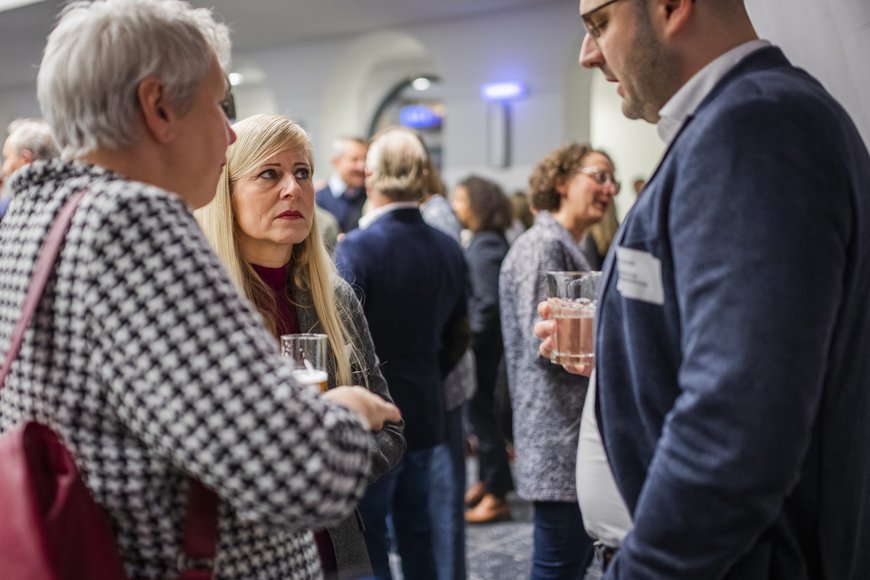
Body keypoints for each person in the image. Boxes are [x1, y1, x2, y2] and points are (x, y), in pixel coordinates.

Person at [0, 1, 400, 578]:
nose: (229, 130)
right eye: (219, 103)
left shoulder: (33, 215)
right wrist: (342, 414)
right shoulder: (133, 222)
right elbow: (296, 476)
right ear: (158, 107)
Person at [537, 0, 870, 578]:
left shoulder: (757, 125)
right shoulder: (735, 118)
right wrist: (629, 345)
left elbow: (737, 430)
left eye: (598, 24)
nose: (589, 53)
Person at [194, 113, 406, 579]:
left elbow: (391, 429)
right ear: (225, 192)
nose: (293, 188)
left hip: (337, 554)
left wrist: (327, 461)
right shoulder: (205, 306)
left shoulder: (335, 298)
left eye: (303, 173)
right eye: (269, 173)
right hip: (243, 558)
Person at [335, 127, 468, 580]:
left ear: (371, 177)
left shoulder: (356, 247)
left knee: (372, 537)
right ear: (422, 176)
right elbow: (459, 335)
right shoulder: (449, 247)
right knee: (418, 535)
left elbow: (346, 341)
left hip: (375, 416)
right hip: (427, 408)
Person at [500, 143, 618, 580]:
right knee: (556, 567)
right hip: (557, 436)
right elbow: (549, 346)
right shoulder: (543, 246)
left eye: (613, 180)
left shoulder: (569, 245)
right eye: (599, 175)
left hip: (568, 433)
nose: (609, 188)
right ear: (562, 182)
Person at [419, 163, 475, 580]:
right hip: (436, 376)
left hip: (441, 379)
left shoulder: (435, 217)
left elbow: (452, 312)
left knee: (442, 497)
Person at [450, 175, 515, 524]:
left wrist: (465, 343)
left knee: (486, 424)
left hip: (485, 353)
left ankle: (496, 494)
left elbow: (487, 305)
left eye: (460, 199)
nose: (455, 206)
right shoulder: (487, 240)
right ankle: (487, 482)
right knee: (482, 421)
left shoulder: (486, 246)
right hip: (488, 351)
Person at [1, 117, 59, 219]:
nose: (4, 168)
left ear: (26, 159)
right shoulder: (69, 199)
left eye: (6, 158)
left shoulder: (19, 211)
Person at [315, 136, 368, 234]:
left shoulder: (369, 196)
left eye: (365, 159)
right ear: (336, 161)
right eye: (354, 160)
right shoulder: (318, 199)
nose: (362, 166)